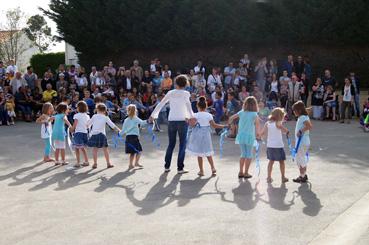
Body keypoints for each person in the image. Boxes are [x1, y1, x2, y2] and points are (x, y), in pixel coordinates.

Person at [149, 75, 195, 174]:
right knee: (182, 144)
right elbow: (188, 106)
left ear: (176, 83)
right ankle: (180, 168)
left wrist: (153, 115)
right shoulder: (186, 93)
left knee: (171, 144)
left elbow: (161, 103)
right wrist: (192, 117)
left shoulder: (170, 92)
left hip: (172, 120)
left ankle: (167, 166)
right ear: (185, 84)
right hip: (183, 121)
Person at [186, 97, 226, 176]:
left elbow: (191, 124)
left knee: (199, 153)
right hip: (206, 135)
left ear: (198, 106)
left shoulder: (195, 115)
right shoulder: (209, 115)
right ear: (206, 106)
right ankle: (213, 168)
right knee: (208, 152)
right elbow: (214, 126)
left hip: (197, 135)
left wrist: (187, 120)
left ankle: (201, 171)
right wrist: (224, 126)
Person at [229, 96, 261, 179]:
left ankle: (240, 172)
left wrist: (230, 125)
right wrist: (258, 134)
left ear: (245, 104)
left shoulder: (241, 112)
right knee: (249, 154)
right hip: (250, 136)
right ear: (254, 105)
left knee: (243, 154)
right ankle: (246, 172)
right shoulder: (254, 114)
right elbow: (257, 124)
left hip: (241, 136)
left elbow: (231, 118)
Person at [260, 107, 289, 183]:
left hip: (270, 146)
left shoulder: (267, 123)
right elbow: (284, 130)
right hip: (278, 146)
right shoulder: (278, 123)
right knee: (281, 162)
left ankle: (269, 177)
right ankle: (283, 177)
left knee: (271, 161)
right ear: (280, 116)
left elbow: (262, 133)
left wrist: (258, 135)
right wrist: (287, 131)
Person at [87, 103, 120, 169]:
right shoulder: (105, 117)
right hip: (102, 135)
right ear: (104, 110)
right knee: (105, 149)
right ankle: (108, 163)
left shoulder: (94, 116)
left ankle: (95, 163)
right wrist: (119, 130)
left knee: (95, 150)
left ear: (97, 109)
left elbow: (88, 125)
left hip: (94, 134)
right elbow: (112, 125)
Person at [121, 104, 148, 170]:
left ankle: (131, 164)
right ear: (135, 111)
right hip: (134, 137)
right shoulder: (136, 118)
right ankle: (136, 163)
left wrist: (119, 134)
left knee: (132, 152)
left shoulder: (126, 120)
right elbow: (142, 123)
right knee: (139, 151)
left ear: (127, 111)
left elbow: (123, 130)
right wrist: (148, 120)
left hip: (128, 137)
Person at [292, 101, 313, 183]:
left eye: (295, 111)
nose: (294, 112)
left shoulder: (302, 117)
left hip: (302, 142)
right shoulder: (304, 116)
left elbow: (309, 126)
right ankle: (304, 175)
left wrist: (301, 131)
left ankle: (302, 176)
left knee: (299, 159)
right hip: (304, 141)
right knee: (302, 158)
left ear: (299, 111)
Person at [71, 101, 90, 168]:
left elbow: (75, 124)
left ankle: (78, 162)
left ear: (78, 108)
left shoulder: (76, 115)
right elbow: (88, 125)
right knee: (83, 148)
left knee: (77, 148)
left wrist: (72, 129)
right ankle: (86, 161)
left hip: (78, 133)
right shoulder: (87, 116)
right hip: (85, 133)